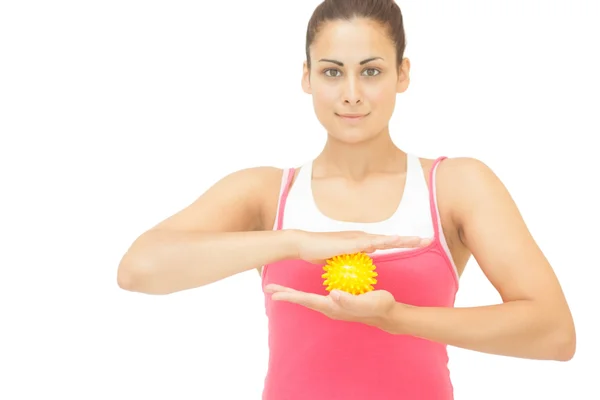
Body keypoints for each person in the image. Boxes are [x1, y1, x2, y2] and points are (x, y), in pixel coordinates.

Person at [116, 0, 576, 398]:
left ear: (402, 74)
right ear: (307, 77)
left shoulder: (456, 185)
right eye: (332, 72)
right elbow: (139, 270)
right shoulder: (263, 193)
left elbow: (554, 334)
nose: (352, 95)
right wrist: (295, 243)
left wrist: (398, 318)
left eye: (371, 71)